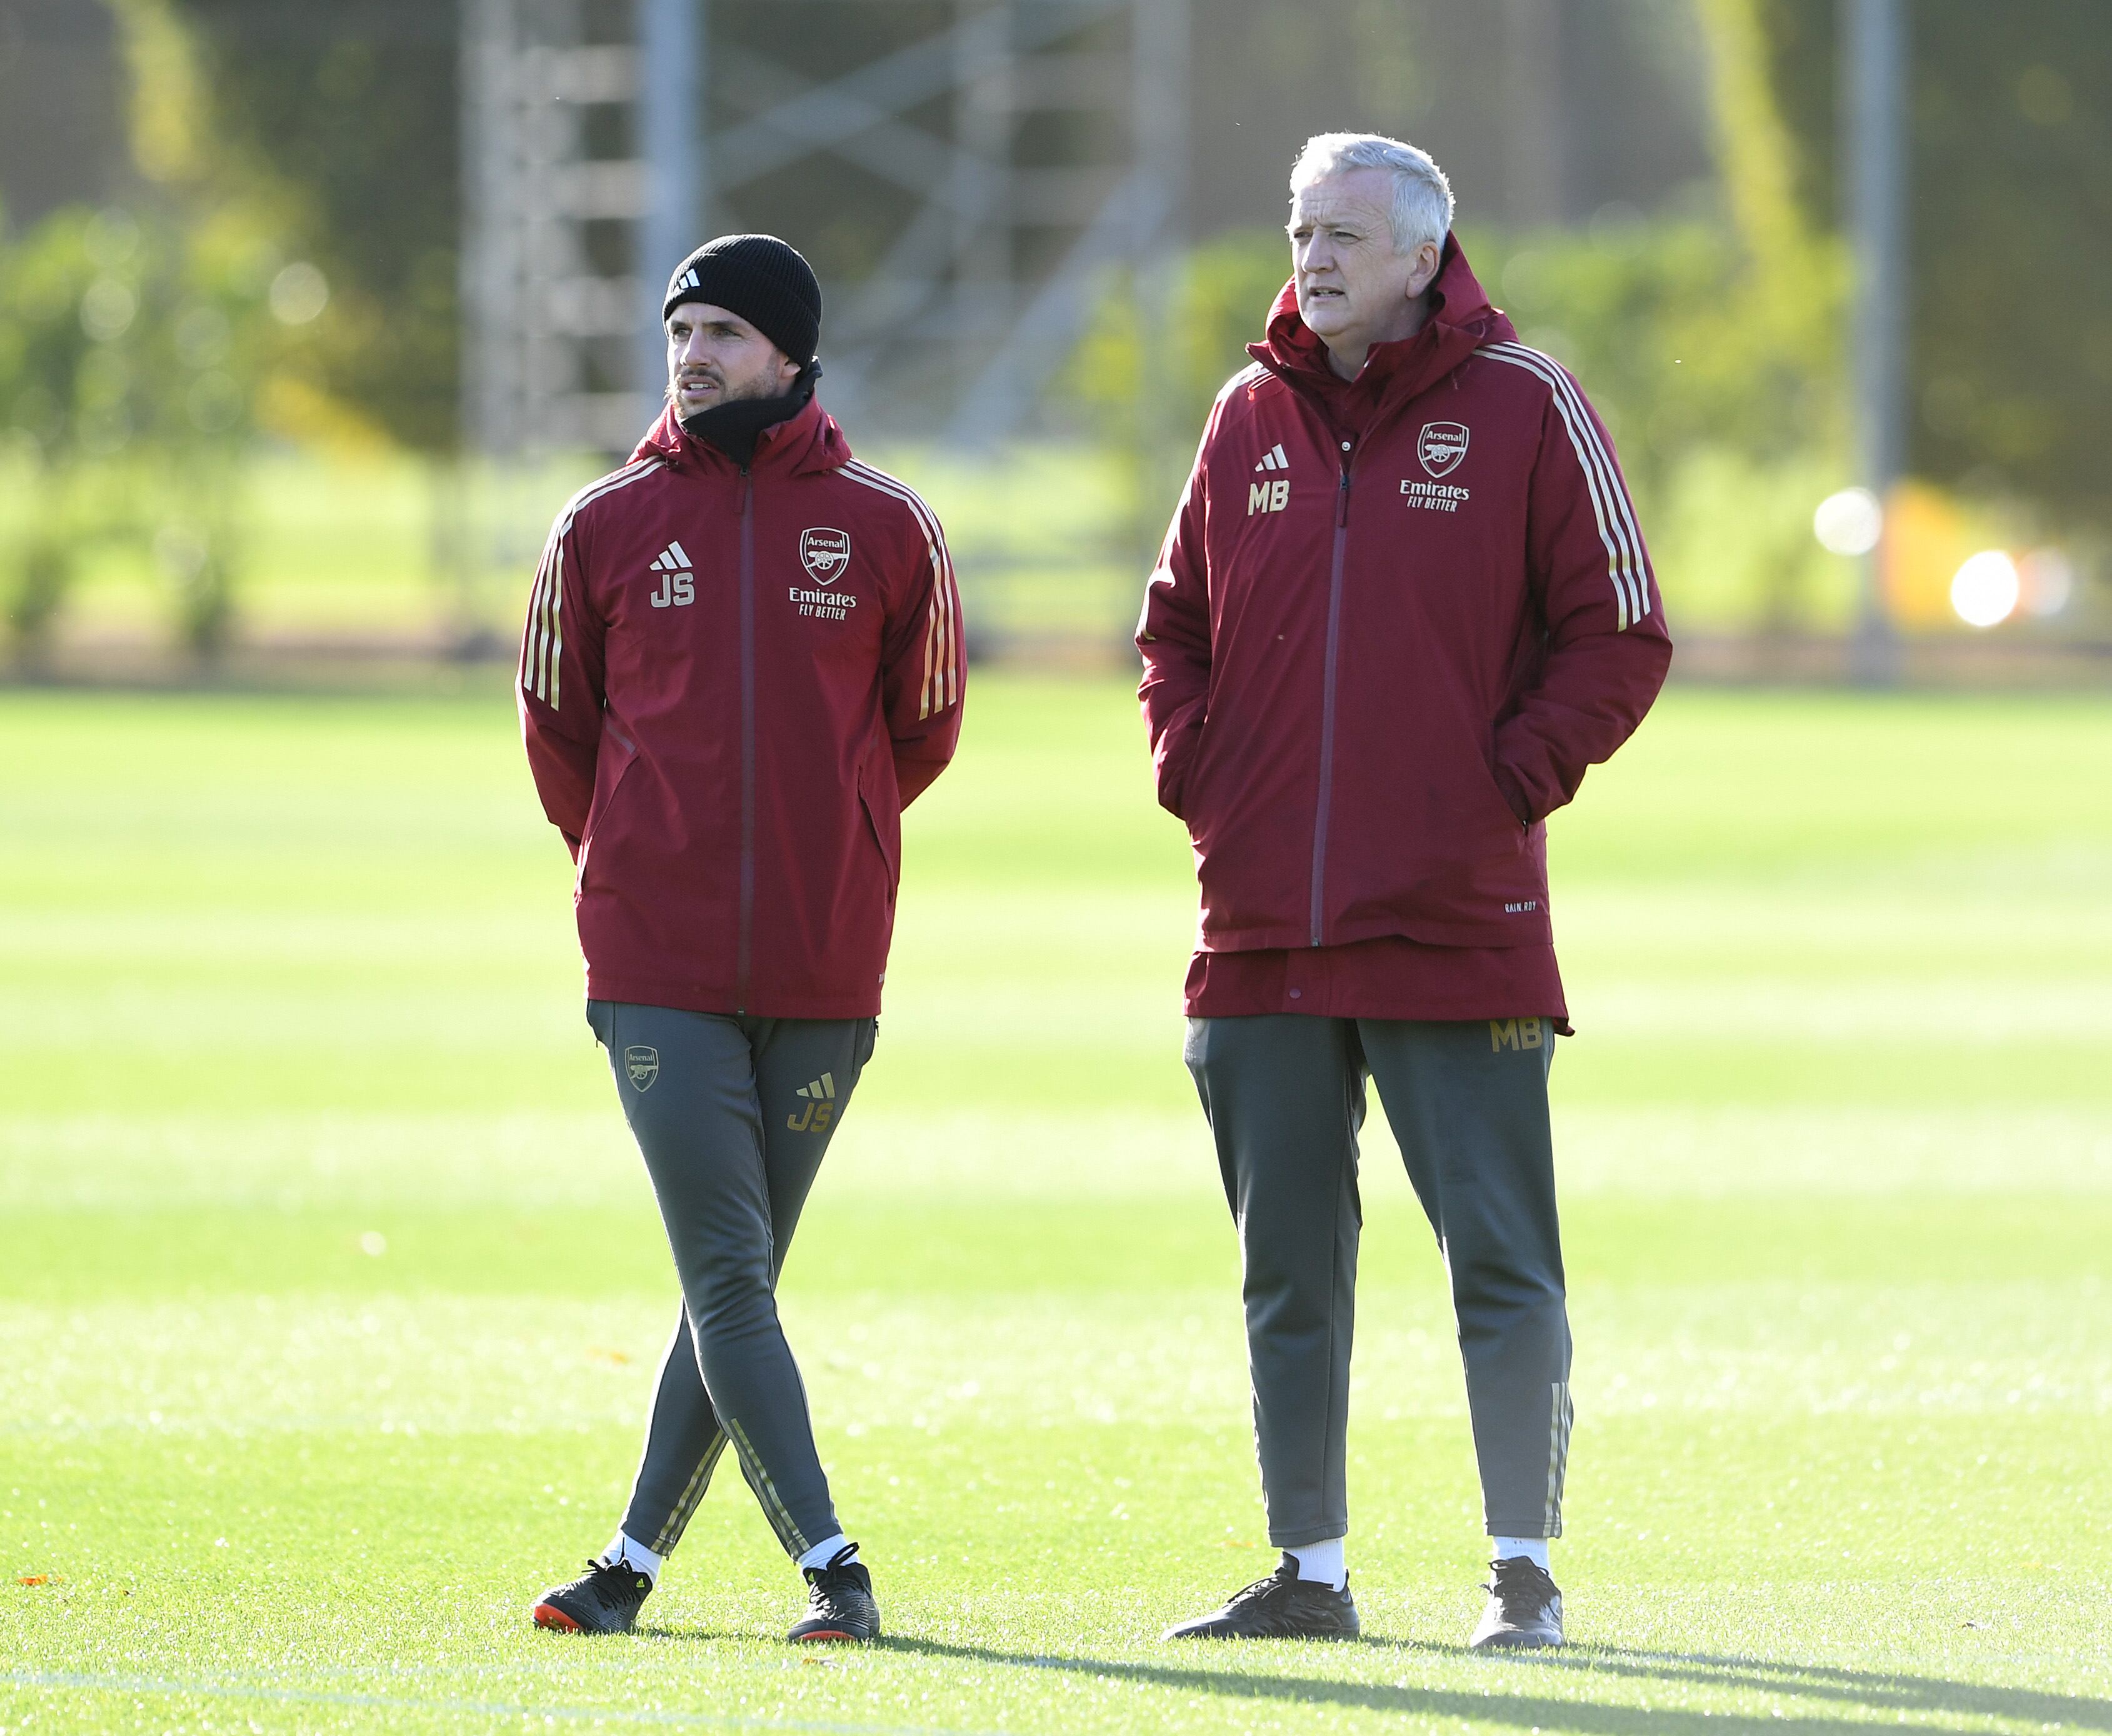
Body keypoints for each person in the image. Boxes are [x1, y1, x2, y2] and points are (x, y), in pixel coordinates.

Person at [1138, 134, 1671, 1648]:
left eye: (1346, 235)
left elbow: (1621, 634)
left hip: (1453, 922)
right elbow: (1169, 631)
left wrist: (1495, 791)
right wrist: (1202, 778)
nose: (1312, 257)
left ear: (1426, 257)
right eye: (1301, 229)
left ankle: (1523, 1573)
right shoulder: (1244, 415)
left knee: (1497, 1264)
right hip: (1258, 932)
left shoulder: (1526, 407)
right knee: (1285, 1274)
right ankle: (1308, 1574)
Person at [517, 233, 964, 1644]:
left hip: (828, 964)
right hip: (655, 968)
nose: (694, 354)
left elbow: (924, 726)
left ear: (787, 353)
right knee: (728, 1270)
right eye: (680, 331)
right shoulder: (604, 523)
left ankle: (626, 1570)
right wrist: (643, 862)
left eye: (721, 331)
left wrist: (835, 836)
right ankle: (836, 1566)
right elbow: (557, 733)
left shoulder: (889, 527)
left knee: (736, 1284)